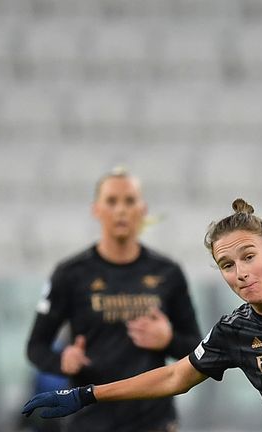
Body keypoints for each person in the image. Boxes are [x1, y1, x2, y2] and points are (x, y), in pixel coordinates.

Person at [22, 198, 262, 432]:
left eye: (249, 256)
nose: (241, 273)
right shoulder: (236, 331)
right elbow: (174, 376)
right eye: (227, 264)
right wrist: (88, 394)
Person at [25, 168, 202, 432]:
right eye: (111, 201)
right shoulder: (70, 273)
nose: (121, 210)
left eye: (129, 201)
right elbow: (35, 347)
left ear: (142, 209)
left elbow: (197, 348)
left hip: (152, 420)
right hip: (89, 418)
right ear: (96, 209)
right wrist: (62, 361)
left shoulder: (168, 272)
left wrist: (168, 340)